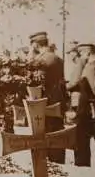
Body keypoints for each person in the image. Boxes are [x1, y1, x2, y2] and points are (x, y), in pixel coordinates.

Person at [28, 31, 67, 164]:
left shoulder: (41, 60)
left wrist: (30, 56)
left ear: (35, 44)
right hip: (58, 97)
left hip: (46, 99)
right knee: (57, 128)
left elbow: (33, 79)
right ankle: (58, 159)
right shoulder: (56, 58)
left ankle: (51, 160)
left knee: (48, 128)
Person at [73, 43, 95, 169]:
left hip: (90, 107)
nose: (80, 56)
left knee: (91, 134)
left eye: (81, 53)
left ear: (87, 52)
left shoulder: (90, 67)